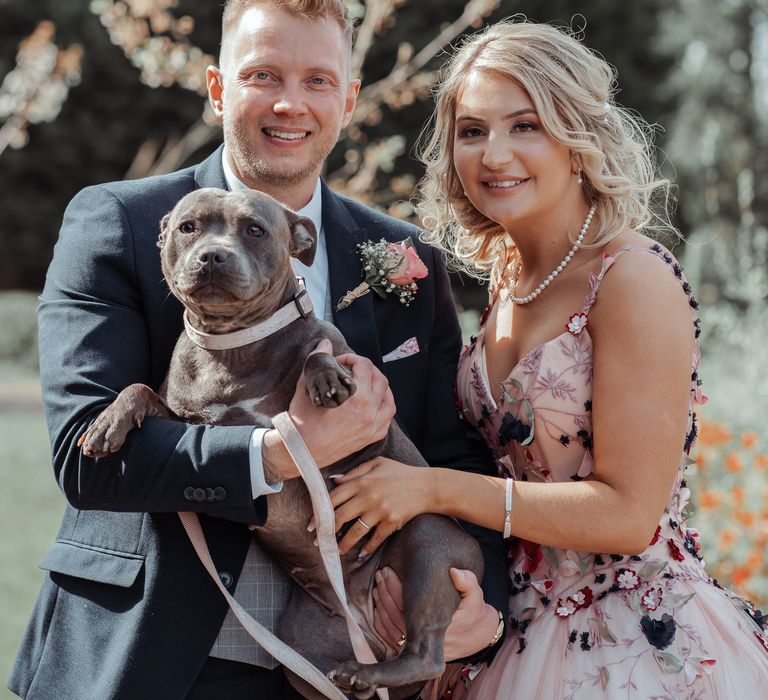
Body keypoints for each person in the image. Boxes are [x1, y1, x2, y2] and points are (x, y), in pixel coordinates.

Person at [8, 2, 509, 698]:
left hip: (347, 659)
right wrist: (280, 451)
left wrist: (480, 607)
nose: (289, 104)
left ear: (349, 98)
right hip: (154, 654)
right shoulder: (121, 222)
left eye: (317, 81)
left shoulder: (402, 256)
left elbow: (454, 456)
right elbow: (84, 460)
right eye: (262, 75)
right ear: (218, 89)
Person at [324, 19, 768, 698]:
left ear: (576, 138)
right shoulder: (506, 277)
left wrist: (432, 487)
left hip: (630, 647)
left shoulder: (632, 278)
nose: (494, 154)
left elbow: (628, 514)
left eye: (525, 125)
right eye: (472, 131)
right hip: (509, 633)